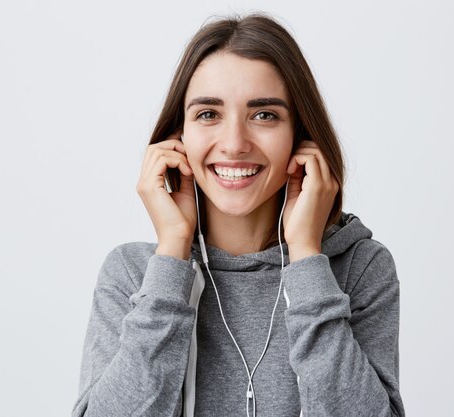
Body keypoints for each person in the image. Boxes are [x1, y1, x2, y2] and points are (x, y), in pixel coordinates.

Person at [72, 13, 405, 417]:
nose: (233, 144)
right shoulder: (133, 273)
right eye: (208, 114)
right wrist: (173, 253)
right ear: (179, 139)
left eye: (264, 115)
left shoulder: (359, 268)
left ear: (300, 137)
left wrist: (306, 257)